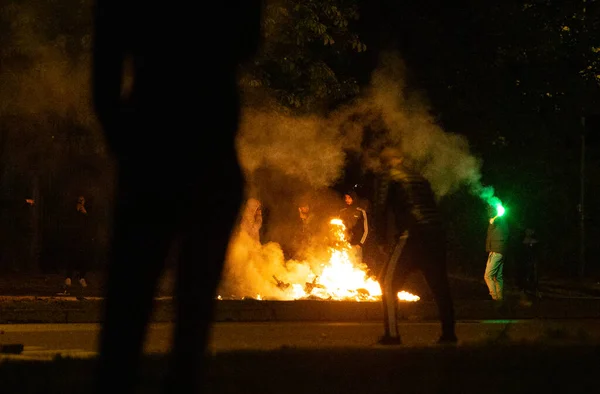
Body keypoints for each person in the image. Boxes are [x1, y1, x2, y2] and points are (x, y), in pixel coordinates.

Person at [91, 1, 262, 393]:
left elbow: (105, 79)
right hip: (198, 155)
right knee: (185, 311)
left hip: (162, 157)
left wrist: (125, 144)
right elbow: (247, 40)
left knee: (132, 306)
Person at [373, 148, 456, 345]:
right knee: (440, 285)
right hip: (436, 233)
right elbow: (432, 205)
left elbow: (380, 209)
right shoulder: (420, 178)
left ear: (384, 163)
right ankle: (449, 334)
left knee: (387, 282)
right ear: (400, 159)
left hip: (412, 234)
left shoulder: (387, 176)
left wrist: (382, 241)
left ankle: (392, 335)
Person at [62, 195, 90, 294]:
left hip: (83, 239)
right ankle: (68, 278)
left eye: (83, 200)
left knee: (84, 258)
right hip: (73, 238)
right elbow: (68, 222)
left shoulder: (86, 212)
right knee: (71, 257)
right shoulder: (71, 212)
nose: (81, 202)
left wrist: (85, 214)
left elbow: (89, 224)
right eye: (79, 200)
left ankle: (81, 277)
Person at [484, 213, 509, 303]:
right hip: (500, 252)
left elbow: (490, 235)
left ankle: (494, 298)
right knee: (498, 277)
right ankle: (499, 299)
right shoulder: (501, 225)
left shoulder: (500, 223)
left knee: (488, 276)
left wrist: (492, 223)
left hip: (496, 252)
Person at [339, 191, 369, 263]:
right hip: (344, 245)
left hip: (356, 245)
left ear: (354, 198)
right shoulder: (342, 212)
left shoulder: (361, 212)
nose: (347, 200)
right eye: (346, 198)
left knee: (357, 268)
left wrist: (360, 244)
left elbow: (366, 230)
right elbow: (339, 228)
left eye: (349, 198)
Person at [517, 228, 539, 304]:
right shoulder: (523, 242)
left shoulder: (534, 242)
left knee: (532, 275)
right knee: (524, 275)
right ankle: (524, 290)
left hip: (532, 261)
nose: (529, 232)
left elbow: (535, 253)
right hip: (525, 261)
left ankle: (533, 290)